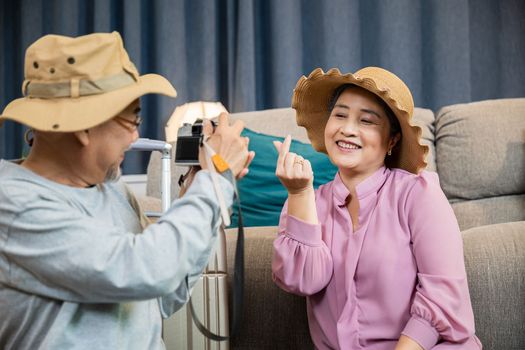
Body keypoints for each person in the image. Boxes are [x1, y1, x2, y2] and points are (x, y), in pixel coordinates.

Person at [0, 32, 253, 349]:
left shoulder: (112, 189)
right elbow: (144, 269)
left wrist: (197, 191)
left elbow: (162, 294)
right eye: (133, 118)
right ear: (83, 126)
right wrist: (214, 181)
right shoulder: (14, 204)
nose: (135, 137)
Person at [272, 67, 482, 349]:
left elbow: (442, 297)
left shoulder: (418, 195)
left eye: (367, 121)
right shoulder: (308, 202)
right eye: (340, 115)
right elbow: (302, 281)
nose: (347, 129)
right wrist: (298, 193)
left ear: (392, 140)